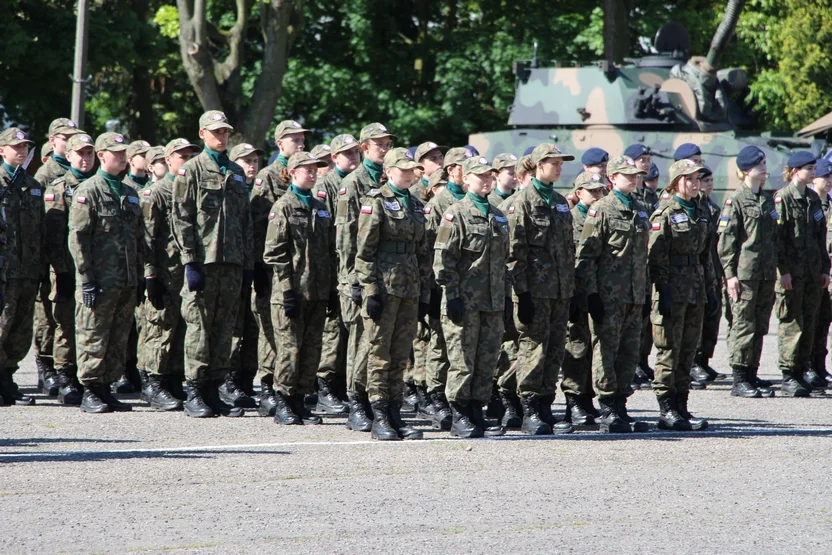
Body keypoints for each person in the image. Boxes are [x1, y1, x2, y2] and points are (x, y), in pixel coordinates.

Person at [171, 110, 253, 418]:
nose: (222, 137)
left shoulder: (236, 172)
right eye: (216, 132)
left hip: (231, 263)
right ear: (202, 134)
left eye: (225, 132)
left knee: (224, 328)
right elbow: (181, 218)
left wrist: (246, 266)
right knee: (199, 327)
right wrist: (190, 260)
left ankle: (215, 388)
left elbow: (244, 223)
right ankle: (194, 389)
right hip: (204, 262)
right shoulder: (191, 170)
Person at [355, 147, 430, 441]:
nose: (410, 174)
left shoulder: (415, 205)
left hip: (409, 288)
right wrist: (370, 290)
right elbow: (363, 253)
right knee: (379, 353)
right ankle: (380, 415)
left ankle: (396, 412)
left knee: (401, 355)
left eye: (412, 170)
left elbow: (422, 253)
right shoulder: (376, 202)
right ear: (388, 172)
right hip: (384, 288)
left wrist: (425, 294)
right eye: (403, 169)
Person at [67, 132, 146, 413]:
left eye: (125, 153)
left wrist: (140, 276)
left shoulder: (129, 193)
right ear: (102, 156)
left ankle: (107, 387)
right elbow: (78, 239)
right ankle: (90, 390)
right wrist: (86, 278)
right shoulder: (88, 191)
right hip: (99, 280)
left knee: (118, 336)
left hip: (125, 281)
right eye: (117, 153)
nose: (123, 157)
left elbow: (138, 240)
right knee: (93, 334)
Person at [434, 156, 509, 437]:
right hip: (464, 301)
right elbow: (443, 258)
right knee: (462, 359)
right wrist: (451, 295)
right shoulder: (456, 213)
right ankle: (459, 414)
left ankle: (477, 408)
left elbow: (504, 261)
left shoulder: (498, 214)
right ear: (466, 179)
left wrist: (507, 297)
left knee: (487, 358)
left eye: (490, 175)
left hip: (492, 301)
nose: (486, 180)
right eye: (480, 176)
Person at [576, 155, 651, 434]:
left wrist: (644, 294)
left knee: (629, 352)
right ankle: (607, 407)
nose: (633, 178)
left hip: (634, 294)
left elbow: (643, 257)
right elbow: (586, 256)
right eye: (626, 174)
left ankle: (621, 404)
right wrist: (592, 294)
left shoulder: (641, 210)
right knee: (606, 350)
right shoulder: (601, 209)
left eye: (635, 174)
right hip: (609, 295)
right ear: (612, 178)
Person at [505, 143, 576, 435]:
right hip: (534, 290)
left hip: (560, 290)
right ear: (537, 166)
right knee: (533, 348)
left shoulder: (560, 201)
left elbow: (568, 250)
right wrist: (521, 292)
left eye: (560, 163)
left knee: (556, 348)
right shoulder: (521, 201)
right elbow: (513, 252)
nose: (559, 168)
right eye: (553, 163)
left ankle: (546, 406)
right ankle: (529, 408)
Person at [263, 151, 336, 424]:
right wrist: (286, 290)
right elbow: (274, 253)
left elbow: (330, 251)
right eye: (307, 169)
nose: (313, 173)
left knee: (312, 348)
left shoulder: (320, 206)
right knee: (290, 349)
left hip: (316, 291)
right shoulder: (283, 206)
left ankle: (301, 399)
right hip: (291, 292)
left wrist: (330, 290)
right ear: (292, 173)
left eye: (315, 169)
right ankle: (283, 400)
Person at [648, 159, 715, 431]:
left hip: (695, 290)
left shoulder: (701, 211)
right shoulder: (664, 213)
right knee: (668, 350)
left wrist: (711, 288)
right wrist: (662, 289)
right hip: (672, 290)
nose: (695, 182)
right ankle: (666, 409)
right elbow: (655, 256)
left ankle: (682, 406)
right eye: (689, 179)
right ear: (676, 182)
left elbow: (706, 255)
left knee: (688, 350)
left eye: (697, 178)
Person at [336, 122, 394, 432]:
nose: (384, 148)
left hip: (384, 276)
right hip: (359, 276)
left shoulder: (389, 181)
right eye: (379, 144)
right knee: (360, 341)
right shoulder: (353, 184)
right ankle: (355, 402)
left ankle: (375, 401)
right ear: (364, 147)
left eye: (387, 144)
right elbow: (346, 237)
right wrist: (353, 280)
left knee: (378, 343)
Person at [250, 120, 308, 416]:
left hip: (301, 270)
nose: (299, 143)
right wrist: (258, 266)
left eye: (302, 139)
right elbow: (260, 225)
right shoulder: (268, 175)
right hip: (273, 267)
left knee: (295, 336)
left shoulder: (308, 174)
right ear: (279, 143)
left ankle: (294, 390)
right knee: (273, 332)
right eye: (293, 139)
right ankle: (269, 386)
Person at [140, 138, 201, 411]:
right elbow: (147, 237)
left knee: (181, 327)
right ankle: (154, 382)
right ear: (167, 158)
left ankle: (174, 379)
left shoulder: (191, 189)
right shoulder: (158, 192)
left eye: (190, 155)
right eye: (181, 156)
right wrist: (150, 275)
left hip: (184, 270)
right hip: (164, 271)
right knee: (160, 327)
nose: (186, 160)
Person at [717, 145, 778, 398]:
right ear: (745, 171)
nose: (764, 169)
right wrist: (730, 275)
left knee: (761, 325)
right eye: (759, 165)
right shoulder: (736, 200)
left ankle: (752, 372)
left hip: (765, 273)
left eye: (764, 164)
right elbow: (727, 242)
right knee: (743, 324)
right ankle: (739, 378)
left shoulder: (766, 199)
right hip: (745, 274)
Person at [43, 133, 97, 406]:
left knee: (91, 327)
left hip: (94, 269)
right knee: (66, 325)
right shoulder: (60, 187)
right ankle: (64, 377)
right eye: (80, 154)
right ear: (70, 156)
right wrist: (61, 272)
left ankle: (87, 376)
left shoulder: (98, 185)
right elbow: (53, 237)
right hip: (66, 269)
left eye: (90, 154)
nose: (85, 159)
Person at [421, 147, 472, 430]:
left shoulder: (472, 200)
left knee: (462, 346)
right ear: (452, 170)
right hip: (442, 285)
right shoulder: (441, 202)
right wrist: (432, 289)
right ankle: (436, 396)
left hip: (470, 287)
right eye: (465, 167)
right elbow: (430, 247)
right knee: (440, 343)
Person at [773, 151, 830, 396]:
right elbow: (778, 240)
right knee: (791, 323)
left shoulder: (813, 199)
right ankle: (789, 374)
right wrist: (783, 271)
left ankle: (803, 370)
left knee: (809, 322)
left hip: (812, 273)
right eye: (809, 168)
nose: (814, 172)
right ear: (795, 170)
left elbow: (820, 238)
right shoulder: (782, 199)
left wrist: (825, 270)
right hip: (792, 275)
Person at [34, 118, 83, 396]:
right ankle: (46, 367)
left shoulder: (81, 173)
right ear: (53, 141)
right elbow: (40, 223)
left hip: (75, 258)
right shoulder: (45, 175)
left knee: (66, 317)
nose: (69, 141)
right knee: (48, 317)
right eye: (65, 137)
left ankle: (66, 369)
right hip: (50, 259)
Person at [313, 134, 360, 415]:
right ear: (335, 157)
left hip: (353, 269)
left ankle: (343, 384)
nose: (353, 157)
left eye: (356, 152)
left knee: (349, 330)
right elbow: (325, 236)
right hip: (334, 269)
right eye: (347, 153)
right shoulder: (326, 186)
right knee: (333, 331)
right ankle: (325, 386)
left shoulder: (362, 183)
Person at [0, 128, 44, 406]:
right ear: (1, 150)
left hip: (28, 269)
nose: (21, 151)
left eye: (25, 147)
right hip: (4, 270)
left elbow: (41, 229)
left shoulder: (32, 184)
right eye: (15, 146)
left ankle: (7, 378)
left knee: (20, 329)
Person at [220, 142, 265, 408]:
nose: (252, 165)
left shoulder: (256, 192)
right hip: (232, 266)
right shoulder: (235, 190)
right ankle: (229, 381)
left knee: (251, 326)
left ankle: (246, 380)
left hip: (252, 265)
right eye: (246, 160)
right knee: (234, 325)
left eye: (255, 160)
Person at [562, 171, 606, 425]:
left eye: (601, 190)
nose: (598, 195)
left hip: (598, 289)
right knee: (577, 347)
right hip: (577, 291)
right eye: (592, 191)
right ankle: (574, 401)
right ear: (579, 194)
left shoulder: (600, 216)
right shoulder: (571, 219)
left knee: (593, 348)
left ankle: (588, 399)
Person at [117, 139, 153, 395]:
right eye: (142, 154)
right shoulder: (125, 187)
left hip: (141, 263)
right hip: (120, 265)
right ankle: (123, 371)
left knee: (140, 324)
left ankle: (138, 371)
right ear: (131, 159)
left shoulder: (151, 187)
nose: (147, 158)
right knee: (126, 325)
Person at [691, 165, 727, 385]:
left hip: (712, 269)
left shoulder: (712, 208)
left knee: (712, 319)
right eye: (705, 181)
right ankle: (693, 362)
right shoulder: (695, 209)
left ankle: (704, 360)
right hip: (698, 272)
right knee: (698, 319)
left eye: (711, 180)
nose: (709, 184)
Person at [811, 158, 832, 387]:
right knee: (813, 320)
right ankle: (808, 366)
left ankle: (820, 365)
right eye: (825, 176)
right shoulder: (812, 204)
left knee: (825, 319)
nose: (829, 181)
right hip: (813, 271)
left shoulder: (830, 205)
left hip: (828, 271)